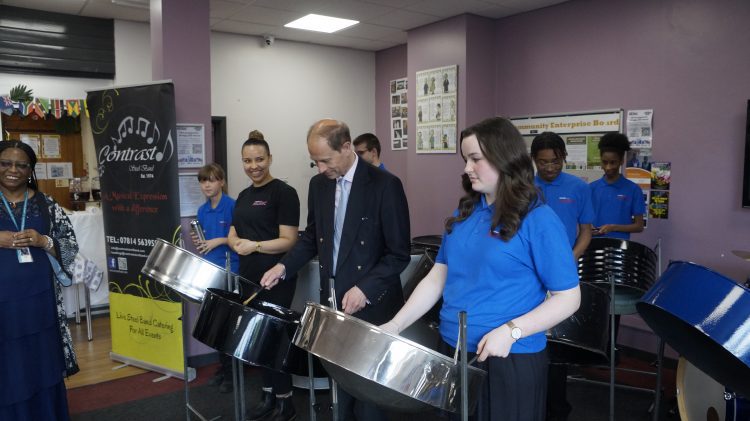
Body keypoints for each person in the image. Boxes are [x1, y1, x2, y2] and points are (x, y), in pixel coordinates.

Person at [380, 117, 580, 421]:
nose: (467, 168)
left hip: (510, 356)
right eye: (465, 159)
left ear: (504, 158)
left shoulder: (539, 219)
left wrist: (512, 331)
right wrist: (396, 325)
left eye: (475, 159)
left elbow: (568, 297)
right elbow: (438, 277)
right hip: (452, 347)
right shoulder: (465, 213)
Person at [260, 119, 411, 421]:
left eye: (326, 160)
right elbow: (312, 237)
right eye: (314, 161)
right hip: (334, 304)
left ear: (346, 147)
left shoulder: (385, 185)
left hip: (372, 307)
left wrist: (365, 288)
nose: (320, 169)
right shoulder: (319, 185)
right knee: (341, 397)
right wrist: (283, 266)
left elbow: (398, 255)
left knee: (368, 404)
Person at [0, 140, 79, 420]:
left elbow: (70, 247)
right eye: (5, 163)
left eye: (21, 165)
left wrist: (43, 240)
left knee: (41, 362)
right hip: (3, 308)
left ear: (30, 170)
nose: (13, 170)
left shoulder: (47, 205)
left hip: (41, 304)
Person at [227, 135, 300, 421]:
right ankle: (268, 395)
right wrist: (234, 242)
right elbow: (234, 231)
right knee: (257, 339)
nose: (253, 166)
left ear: (270, 159)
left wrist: (255, 246)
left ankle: (286, 402)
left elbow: (289, 240)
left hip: (276, 276)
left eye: (259, 159)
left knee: (274, 339)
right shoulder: (244, 196)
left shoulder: (284, 193)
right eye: (247, 161)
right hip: (248, 276)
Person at [530, 132, 594, 421]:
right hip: (529, 275)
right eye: (543, 162)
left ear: (564, 158)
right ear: (534, 161)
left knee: (556, 344)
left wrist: (567, 261)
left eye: (555, 161)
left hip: (561, 276)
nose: (549, 167)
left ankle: (557, 409)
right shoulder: (524, 187)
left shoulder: (579, 187)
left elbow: (586, 232)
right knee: (529, 336)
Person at [191, 162, 239, 393]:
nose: (207, 185)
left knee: (228, 325)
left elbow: (239, 239)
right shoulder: (202, 211)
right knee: (216, 324)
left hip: (231, 271)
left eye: (211, 180)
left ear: (221, 182)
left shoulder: (232, 206)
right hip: (210, 271)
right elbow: (204, 244)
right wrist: (200, 242)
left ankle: (232, 374)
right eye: (203, 181)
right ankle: (223, 367)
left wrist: (218, 241)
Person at [590, 132, 645, 239]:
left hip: (619, 246)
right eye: (604, 162)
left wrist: (614, 227)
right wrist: (588, 226)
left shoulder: (633, 190)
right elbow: (583, 219)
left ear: (621, 161)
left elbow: (639, 226)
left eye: (613, 162)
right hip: (594, 245)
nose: (608, 167)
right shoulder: (591, 188)